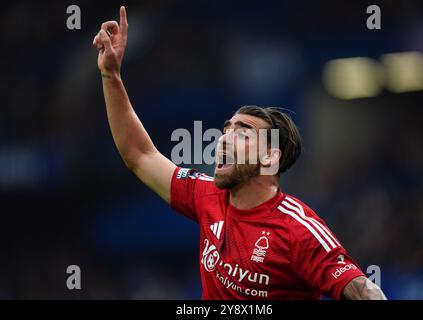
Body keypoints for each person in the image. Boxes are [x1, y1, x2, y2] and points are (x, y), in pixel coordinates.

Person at [92, 6, 387, 300]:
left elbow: (365, 292)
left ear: (270, 158)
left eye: (242, 133)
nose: (224, 139)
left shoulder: (298, 230)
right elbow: (139, 155)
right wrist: (111, 75)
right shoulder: (205, 196)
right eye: (226, 130)